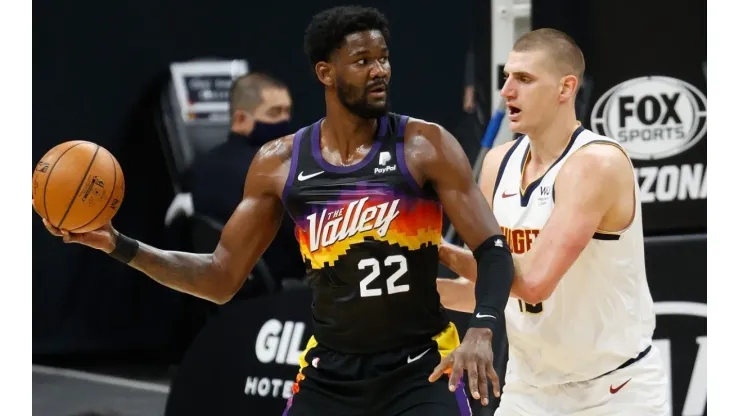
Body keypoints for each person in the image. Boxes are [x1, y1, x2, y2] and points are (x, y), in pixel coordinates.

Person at [39, 5, 515, 416]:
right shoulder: (279, 163)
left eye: (384, 59)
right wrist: (120, 245)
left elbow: (494, 250)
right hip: (331, 371)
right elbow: (220, 279)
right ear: (325, 72)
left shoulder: (424, 145)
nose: (380, 71)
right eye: (363, 60)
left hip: (419, 367)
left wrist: (483, 326)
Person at [434, 28, 670, 415]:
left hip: (614, 390)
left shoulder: (596, 164)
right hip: (529, 389)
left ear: (566, 88)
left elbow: (530, 283)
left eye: (524, 79)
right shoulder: (498, 164)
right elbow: (485, 286)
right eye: (506, 77)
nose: (507, 91)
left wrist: (436, 248)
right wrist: (405, 282)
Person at [188, 72, 305, 292]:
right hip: (284, 298)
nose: (285, 121)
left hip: (226, 298)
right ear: (241, 119)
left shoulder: (199, 167)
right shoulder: (273, 171)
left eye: (287, 111)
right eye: (274, 113)